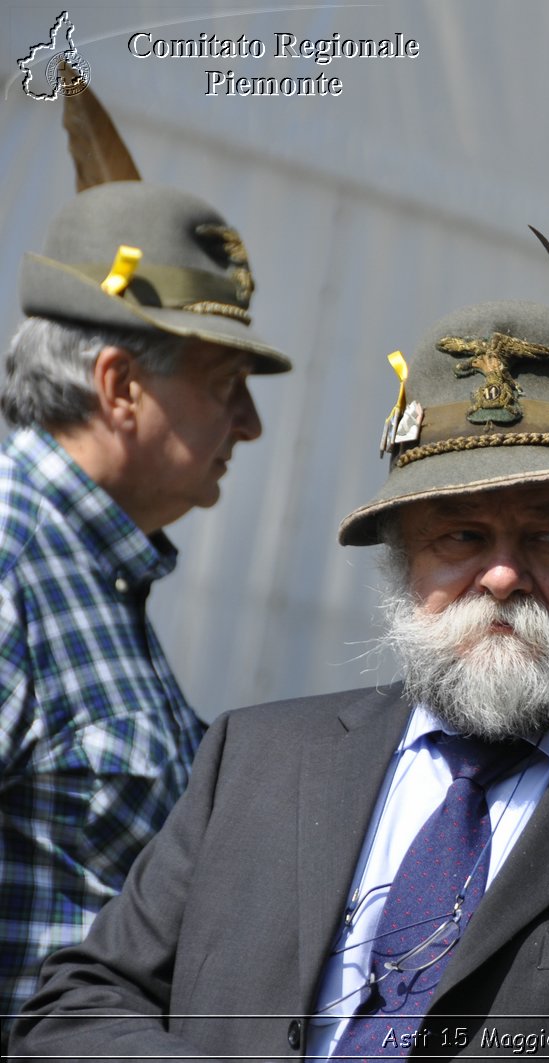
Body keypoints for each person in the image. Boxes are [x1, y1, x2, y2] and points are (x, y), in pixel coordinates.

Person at [13, 275, 549, 1058]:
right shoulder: (255, 760)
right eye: (462, 536)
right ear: (403, 557)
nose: (504, 574)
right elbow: (81, 1004)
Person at [0, 170, 288, 1043]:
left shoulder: (87, 559)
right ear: (120, 385)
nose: (249, 423)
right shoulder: (11, 557)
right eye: (225, 382)